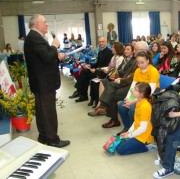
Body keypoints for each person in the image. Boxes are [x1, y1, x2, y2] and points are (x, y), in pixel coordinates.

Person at [24, 14, 70, 148]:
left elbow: (43, 58)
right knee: (48, 111)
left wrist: (57, 56)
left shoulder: (34, 37)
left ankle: (44, 136)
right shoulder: (35, 38)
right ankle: (52, 139)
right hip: (43, 82)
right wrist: (54, 46)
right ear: (37, 24)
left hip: (40, 82)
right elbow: (46, 57)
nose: (47, 24)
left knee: (42, 111)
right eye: (45, 22)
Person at [117, 51, 160, 134]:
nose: (140, 65)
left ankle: (135, 130)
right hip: (137, 94)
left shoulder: (153, 71)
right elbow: (133, 87)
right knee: (122, 106)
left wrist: (133, 101)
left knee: (133, 109)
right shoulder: (137, 71)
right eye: (138, 63)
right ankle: (127, 128)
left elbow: (149, 92)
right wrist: (128, 98)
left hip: (149, 96)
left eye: (142, 62)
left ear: (148, 61)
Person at [68, 36, 113, 102]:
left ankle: (81, 93)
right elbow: (97, 63)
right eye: (99, 42)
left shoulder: (109, 52)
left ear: (106, 42)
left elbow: (106, 66)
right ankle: (82, 93)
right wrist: (90, 65)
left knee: (86, 76)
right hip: (97, 70)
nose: (101, 43)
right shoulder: (100, 52)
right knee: (84, 72)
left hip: (102, 73)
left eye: (102, 41)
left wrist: (96, 70)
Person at [116, 82, 154, 155]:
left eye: (135, 89)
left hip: (144, 137)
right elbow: (136, 121)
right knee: (119, 142)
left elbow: (143, 128)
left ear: (141, 94)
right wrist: (129, 131)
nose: (132, 90)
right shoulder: (139, 102)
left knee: (120, 149)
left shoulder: (145, 106)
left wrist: (130, 135)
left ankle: (145, 147)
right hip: (137, 132)